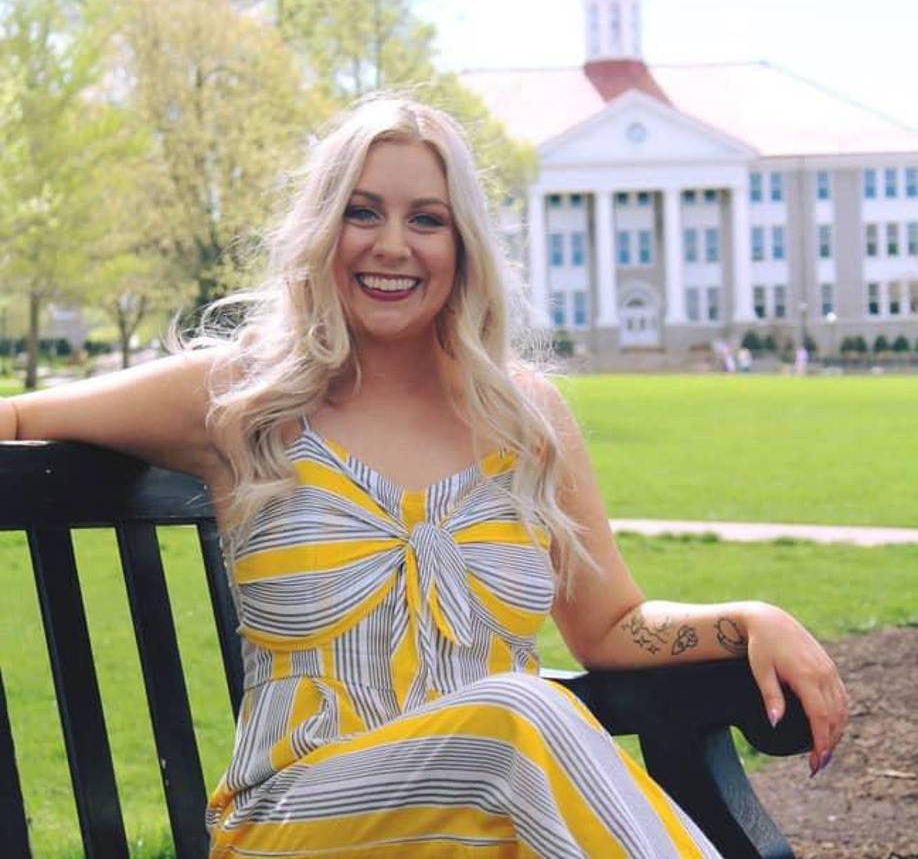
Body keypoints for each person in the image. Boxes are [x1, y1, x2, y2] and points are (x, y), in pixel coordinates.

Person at [0, 95, 847, 857]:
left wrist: (747, 618)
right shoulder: (239, 398)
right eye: (362, 212)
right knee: (524, 713)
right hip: (300, 822)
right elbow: (20, 419)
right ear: (323, 229)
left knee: (520, 722)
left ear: (463, 244)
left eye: (427, 219)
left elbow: (609, 625)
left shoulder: (525, 420)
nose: (392, 245)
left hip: (490, 821)